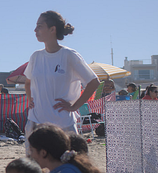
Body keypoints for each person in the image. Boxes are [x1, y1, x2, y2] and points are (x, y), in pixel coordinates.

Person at [23, 11, 100, 154]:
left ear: (52, 29)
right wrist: (30, 100)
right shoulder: (36, 56)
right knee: (35, 171)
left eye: (39, 26)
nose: (35, 30)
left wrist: (75, 106)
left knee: (67, 166)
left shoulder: (69, 55)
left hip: (63, 124)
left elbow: (94, 82)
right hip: (36, 122)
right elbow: (27, 82)